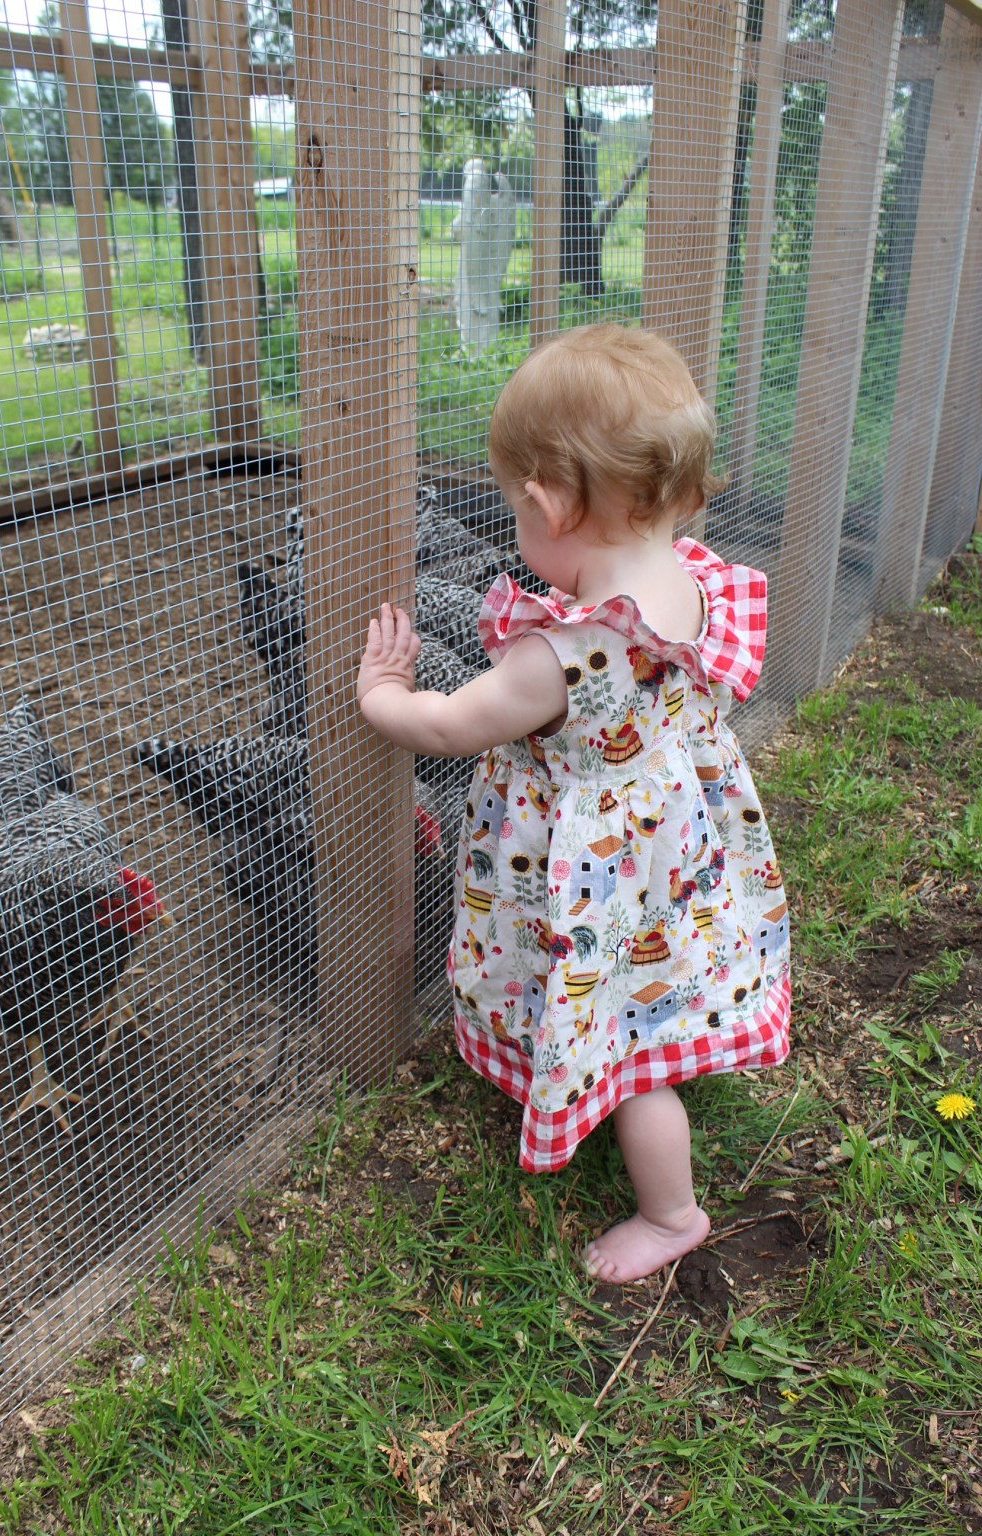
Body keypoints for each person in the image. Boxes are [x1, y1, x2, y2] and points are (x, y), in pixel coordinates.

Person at [357, 323, 790, 1284]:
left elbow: (450, 726)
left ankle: (671, 1214)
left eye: (515, 507)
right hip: (662, 854)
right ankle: (636, 1038)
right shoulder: (690, 579)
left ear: (551, 506)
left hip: (592, 867)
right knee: (645, 987)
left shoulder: (562, 657)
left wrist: (384, 693)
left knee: (635, 1058)